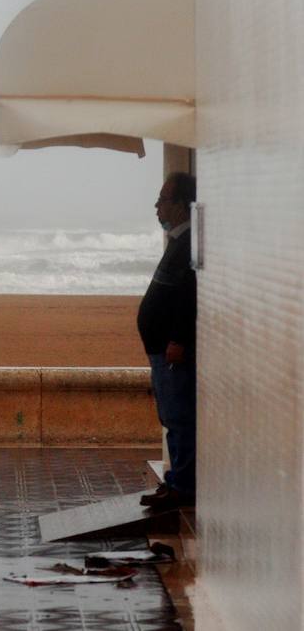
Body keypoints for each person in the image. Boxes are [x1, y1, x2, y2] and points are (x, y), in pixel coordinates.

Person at [138, 172, 197, 511]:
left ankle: (183, 487)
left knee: (178, 417)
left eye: (163, 199)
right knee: (171, 416)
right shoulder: (179, 240)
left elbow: (188, 298)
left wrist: (178, 339)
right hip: (161, 348)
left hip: (171, 349)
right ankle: (176, 482)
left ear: (181, 206)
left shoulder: (188, 244)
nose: (157, 206)